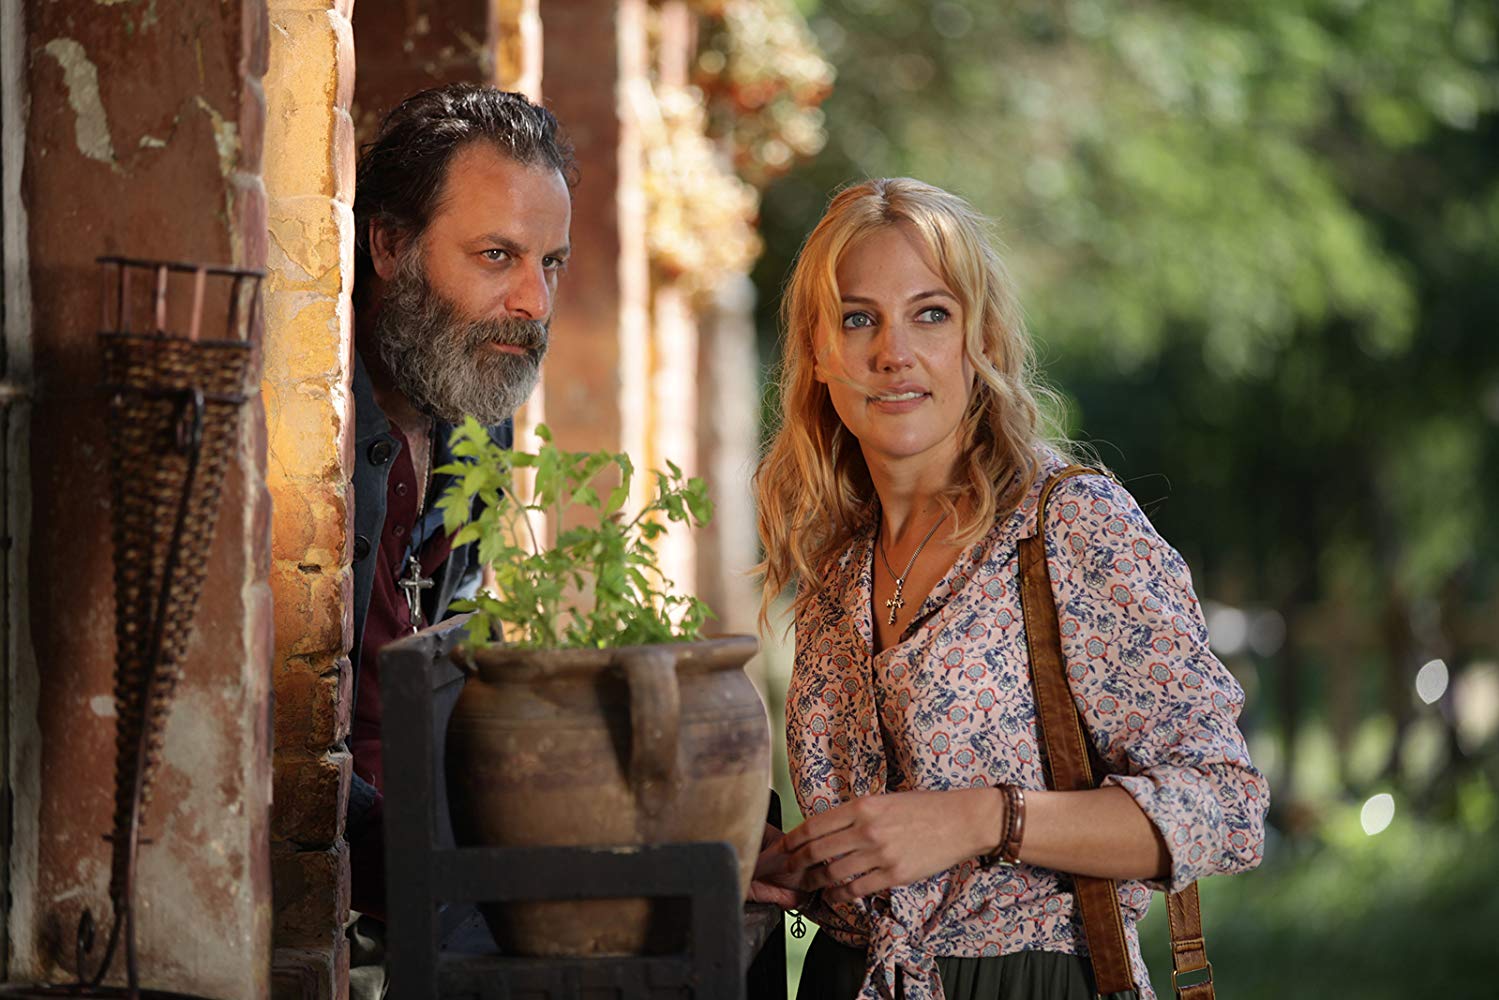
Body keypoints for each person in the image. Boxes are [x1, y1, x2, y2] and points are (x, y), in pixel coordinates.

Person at [748, 178, 1267, 1000]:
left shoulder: (1067, 527)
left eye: (930, 314)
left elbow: (1224, 808)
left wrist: (983, 818)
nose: (892, 352)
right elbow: (893, 857)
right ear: (817, 353)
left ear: (980, 337)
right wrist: (804, 862)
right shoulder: (835, 566)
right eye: (856, 319)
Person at [342, 83, 573, 987]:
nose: (533, 301)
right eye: (496, 255)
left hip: (446, 883)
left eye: (550, 263)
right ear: (388, 246)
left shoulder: (478, 414)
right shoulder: (296, 429)